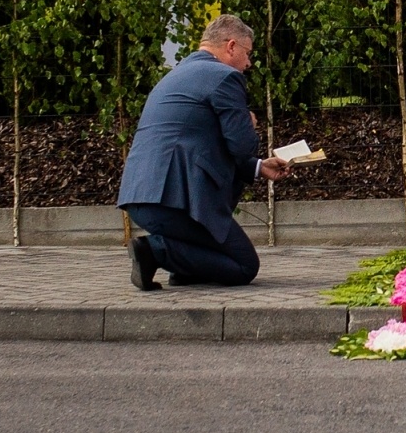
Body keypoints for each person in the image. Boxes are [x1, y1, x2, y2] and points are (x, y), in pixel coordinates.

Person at [118, 14, 291, 289]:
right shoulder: (225, 76)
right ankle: (155, 251)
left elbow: (199, 141)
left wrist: (259, 167)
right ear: (231, 46)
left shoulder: (175, 75)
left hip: (140, 197)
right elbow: (241, 145)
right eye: (247, 53)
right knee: (244, 266)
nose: (248, 63)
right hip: (178, 202)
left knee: (223, 255)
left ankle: (184, 269)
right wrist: (247, 123)